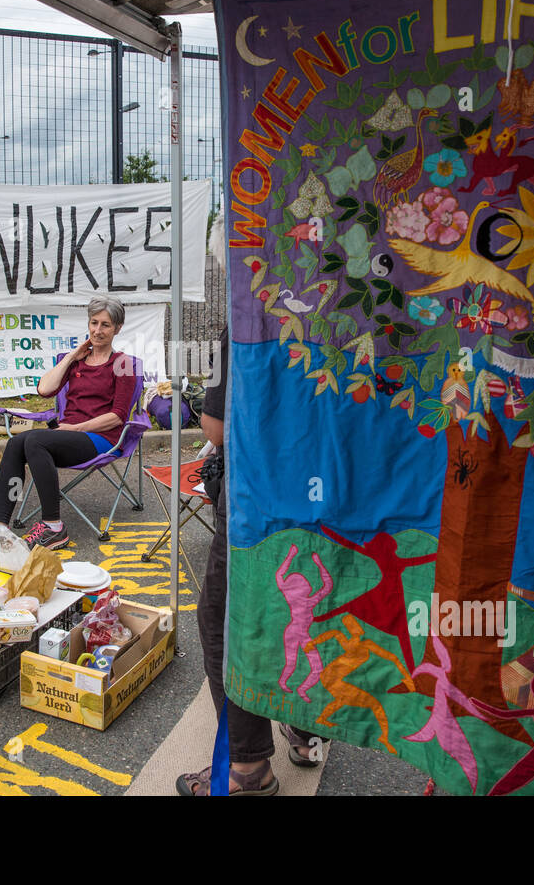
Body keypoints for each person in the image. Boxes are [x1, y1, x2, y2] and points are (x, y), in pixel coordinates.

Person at [177, 326, 327, 795]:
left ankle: (247, 768)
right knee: (309, 623)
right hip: (330, 485)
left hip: (258, 493)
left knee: (227, 623)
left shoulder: (251, 313)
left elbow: (215, 429)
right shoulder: (353, 302)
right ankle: (306, 733)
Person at [0, 295, 137, 561]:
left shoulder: (123, 363)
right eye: (94, 322)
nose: (98, 330)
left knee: (35, 441)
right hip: (67, 436)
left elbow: (118, 416)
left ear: (117, 328)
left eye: (106, 325)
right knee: (15, 443)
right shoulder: (77, 362)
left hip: (101, 439)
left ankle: (53, 525)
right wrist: (71, 357)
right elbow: (44, 389)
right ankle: (0, 525)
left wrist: (75, 429)